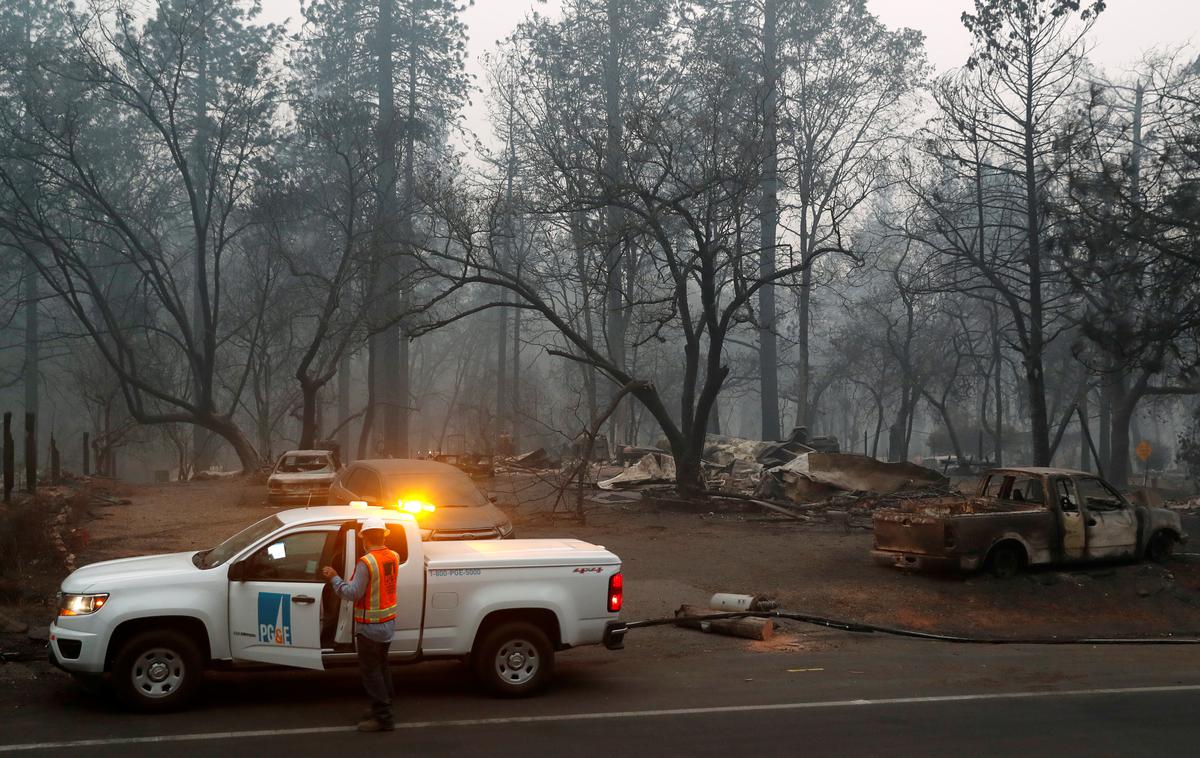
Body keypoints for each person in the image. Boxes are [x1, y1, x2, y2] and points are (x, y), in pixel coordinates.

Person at [322, 517, 399, 732]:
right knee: (382, 667)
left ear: (364, 537)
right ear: (383, 535)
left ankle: (384, 717)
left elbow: (352, 593)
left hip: (370, 627)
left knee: (371, 672)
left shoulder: (367, 562)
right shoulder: (393, 556)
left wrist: (335, 578)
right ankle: (384, 704)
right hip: (387, 625)